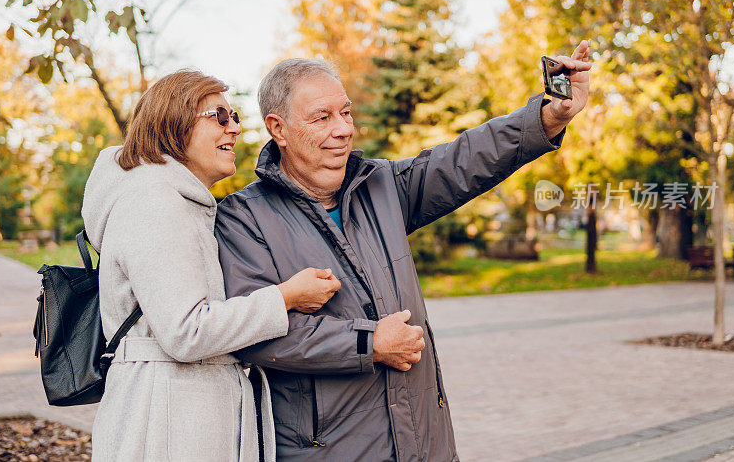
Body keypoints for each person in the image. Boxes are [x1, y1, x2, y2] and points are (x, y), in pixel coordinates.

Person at [215, 42, 592, 461]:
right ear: (278, 128)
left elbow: (464, 160)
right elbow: (254, 333)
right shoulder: (241, 219)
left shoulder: (381, 185)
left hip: (425, 442)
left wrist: (547, 116)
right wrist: (369, 342)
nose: (342, 129)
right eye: (322, 118)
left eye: (345, 112)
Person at [81, 69, 341, 462]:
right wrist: (285, 297)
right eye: (219, 117)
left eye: (234, 117)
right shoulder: (155, 201)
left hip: (173, 412)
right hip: (166, 425)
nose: (234, 128)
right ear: (175, 123)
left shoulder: (174, 200)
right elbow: (186, 331)